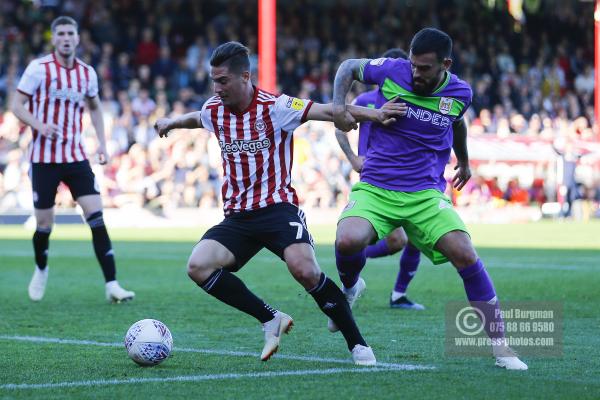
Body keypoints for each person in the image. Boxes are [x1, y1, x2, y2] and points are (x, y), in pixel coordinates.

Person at [154, 42, 405, 365]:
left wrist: (375, 114)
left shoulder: (276, 106)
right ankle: (270, 318)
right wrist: (172, 122)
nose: (217, 88)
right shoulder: (215, 109)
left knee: (305, 270)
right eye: (214, 81)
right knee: (198, 266)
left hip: (277, 209)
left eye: (223, 81)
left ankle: (357, 345)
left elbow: (327, 111)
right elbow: (197, 117)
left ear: (245, 76)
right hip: (238, 217)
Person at [331, 28, 528, 370]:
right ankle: (351, 285)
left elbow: (457, 124)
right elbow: (347, 67)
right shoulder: (392, 70)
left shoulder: (460, 93)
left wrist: (464, 162)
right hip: (377, 186)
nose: (415, 73)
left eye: (424, 68)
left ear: (445, 64)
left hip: (424, 194)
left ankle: (502, 347)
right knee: (347, 240)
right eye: (413, 65)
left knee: (465, 253)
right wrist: (337, 107)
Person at [10, 16, 135, 303]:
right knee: (44, 225)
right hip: (43, 158)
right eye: (61, 34)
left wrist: (102, 143)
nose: (66, 38)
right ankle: (41, 268)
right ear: (54, 39)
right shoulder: (38, 69)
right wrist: (39, 125)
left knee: (96, 216)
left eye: (71, 33)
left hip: (75, 155)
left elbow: (94, 107)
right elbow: (16, 105)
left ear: (78, 39)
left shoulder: (87, 73)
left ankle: (112, 284)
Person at [335, 48, 425, 311]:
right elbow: (339, 125)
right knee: (394, 240)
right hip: (375, 178)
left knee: (410, 239)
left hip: (408, 179)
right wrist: (353, 157)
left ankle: (398, 294)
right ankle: (351, 263)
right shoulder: (366, 100)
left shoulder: (416, 103)